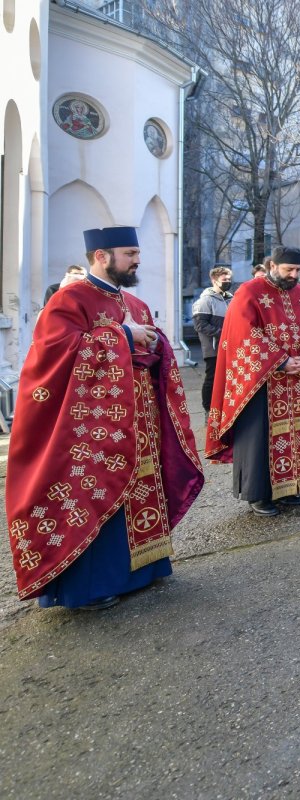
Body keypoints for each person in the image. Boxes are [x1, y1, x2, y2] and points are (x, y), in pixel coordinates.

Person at [6, 226, 204, 610]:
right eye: (129, 253)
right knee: (98, 494)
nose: (137, 260)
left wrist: (153, 340)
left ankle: (143, 570)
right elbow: (53, 357)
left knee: (138, 492)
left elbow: (149, 352)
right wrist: (122, 337)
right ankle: (91, 588)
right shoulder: (69, 301)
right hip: (92, 431)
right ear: (101, 256)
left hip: (139, 422)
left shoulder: (135, 303)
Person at [205, 245, 300, 517]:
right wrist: (282, 360)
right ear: (273, 266)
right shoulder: (249, 292)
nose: (294, 275)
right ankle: (258, 493)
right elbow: (243, 335)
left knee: (296, 432)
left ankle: (291, 487)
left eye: (297, 270)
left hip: (297, 380)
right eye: (289, 270)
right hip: (261, 381)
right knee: (260, 436)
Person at [192, 265, 234, 415]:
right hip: (213, 348)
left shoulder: (231, 299)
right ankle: (208, 411)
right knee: (212, 379)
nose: (227, 282)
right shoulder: (205, 301)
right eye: (224, 279)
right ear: (214, 280)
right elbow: (200, 325)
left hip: (230, 347)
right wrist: (224, 334)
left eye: (229, 279)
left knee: (228, 379)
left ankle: (225, 409)